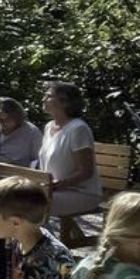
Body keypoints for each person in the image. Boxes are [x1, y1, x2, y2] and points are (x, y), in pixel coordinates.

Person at [38, 81, 101, 217]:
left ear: (64, 102)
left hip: (81, 193)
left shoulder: (78, 129)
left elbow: (86, 172)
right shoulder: (49, 126)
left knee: (29, 204)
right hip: (54, 190)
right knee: (15, 196)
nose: (43, 99)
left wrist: (56, 186)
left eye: (49, 96)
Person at [0, 97, 42, 166]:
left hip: (18, 170)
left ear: (16, 117)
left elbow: (38, 160)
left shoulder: (32, 132)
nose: (3, 123)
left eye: (7, 119)